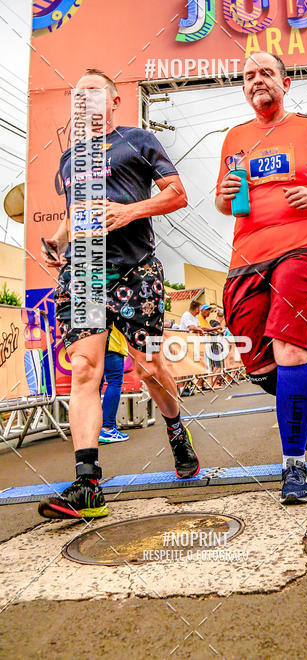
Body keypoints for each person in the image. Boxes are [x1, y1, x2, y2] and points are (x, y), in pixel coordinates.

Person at [38, 69, 199, 521]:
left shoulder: (139, 140)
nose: (82, 99)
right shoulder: (69, 158)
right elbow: (73, 214)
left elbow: (177, 195)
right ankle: (88, 484)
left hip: (135, 270)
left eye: (91, 92)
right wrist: (58, 241)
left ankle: (175, 428)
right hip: (84, 273)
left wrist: (131, 211)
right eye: (76, 94)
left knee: (149, 366)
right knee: (86, 366)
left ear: (112, 101)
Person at [215, 51, 307, 504]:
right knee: (257, 361)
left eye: (266, 73)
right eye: (248, 75)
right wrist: (223, 196)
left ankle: (293, 467)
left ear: (286, 81)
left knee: (290, 348)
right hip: (247, 255)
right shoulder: (234, 139)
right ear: (243, 88)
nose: (257, 80)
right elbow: (225, 204)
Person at [98, 325, 129, 444]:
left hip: (87, 340)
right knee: (114, 381)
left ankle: (93, 428)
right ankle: (107, 428)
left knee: (94, 385)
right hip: (110, 339)